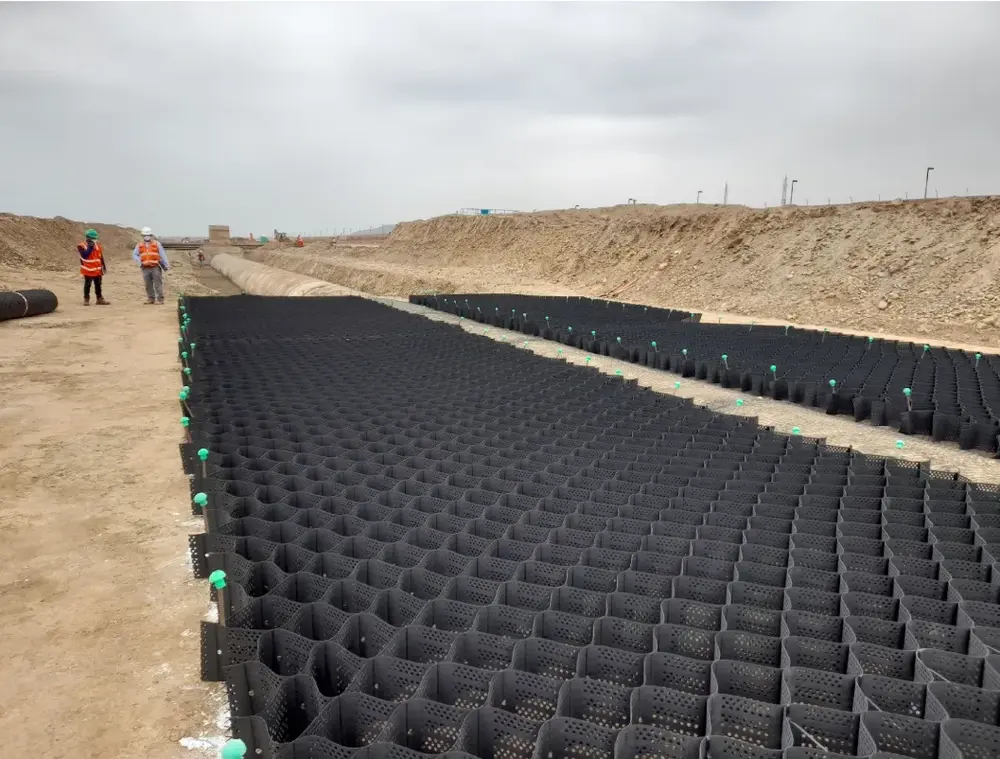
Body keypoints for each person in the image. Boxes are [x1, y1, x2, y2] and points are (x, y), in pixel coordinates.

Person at [132, 226, 170, 304]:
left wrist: (166, 264)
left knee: (157, 284)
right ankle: (151, 298)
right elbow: (135, 254)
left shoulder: (156, 244)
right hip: (145, 267)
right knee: (148, 284)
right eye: (145, 235)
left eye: (148, 235)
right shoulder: (139, 245)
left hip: (155, 267)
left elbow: (162, 255)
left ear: (151, 235)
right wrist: (140, 262)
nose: (147, 236)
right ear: (142, 236)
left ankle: (160, 299)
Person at [78, 228, 110, 306]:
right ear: (88, 237)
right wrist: (90, 248)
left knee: (98, 285)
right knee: (88, 284)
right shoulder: (81, 246)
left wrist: (104, 266)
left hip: (97, 270)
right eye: (93, 238)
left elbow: (101, 257)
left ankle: (99, 299)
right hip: (88, 270)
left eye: (95, 238)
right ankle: (86, 299)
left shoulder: (98, 246)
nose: (95, 240)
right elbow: (85, 255)